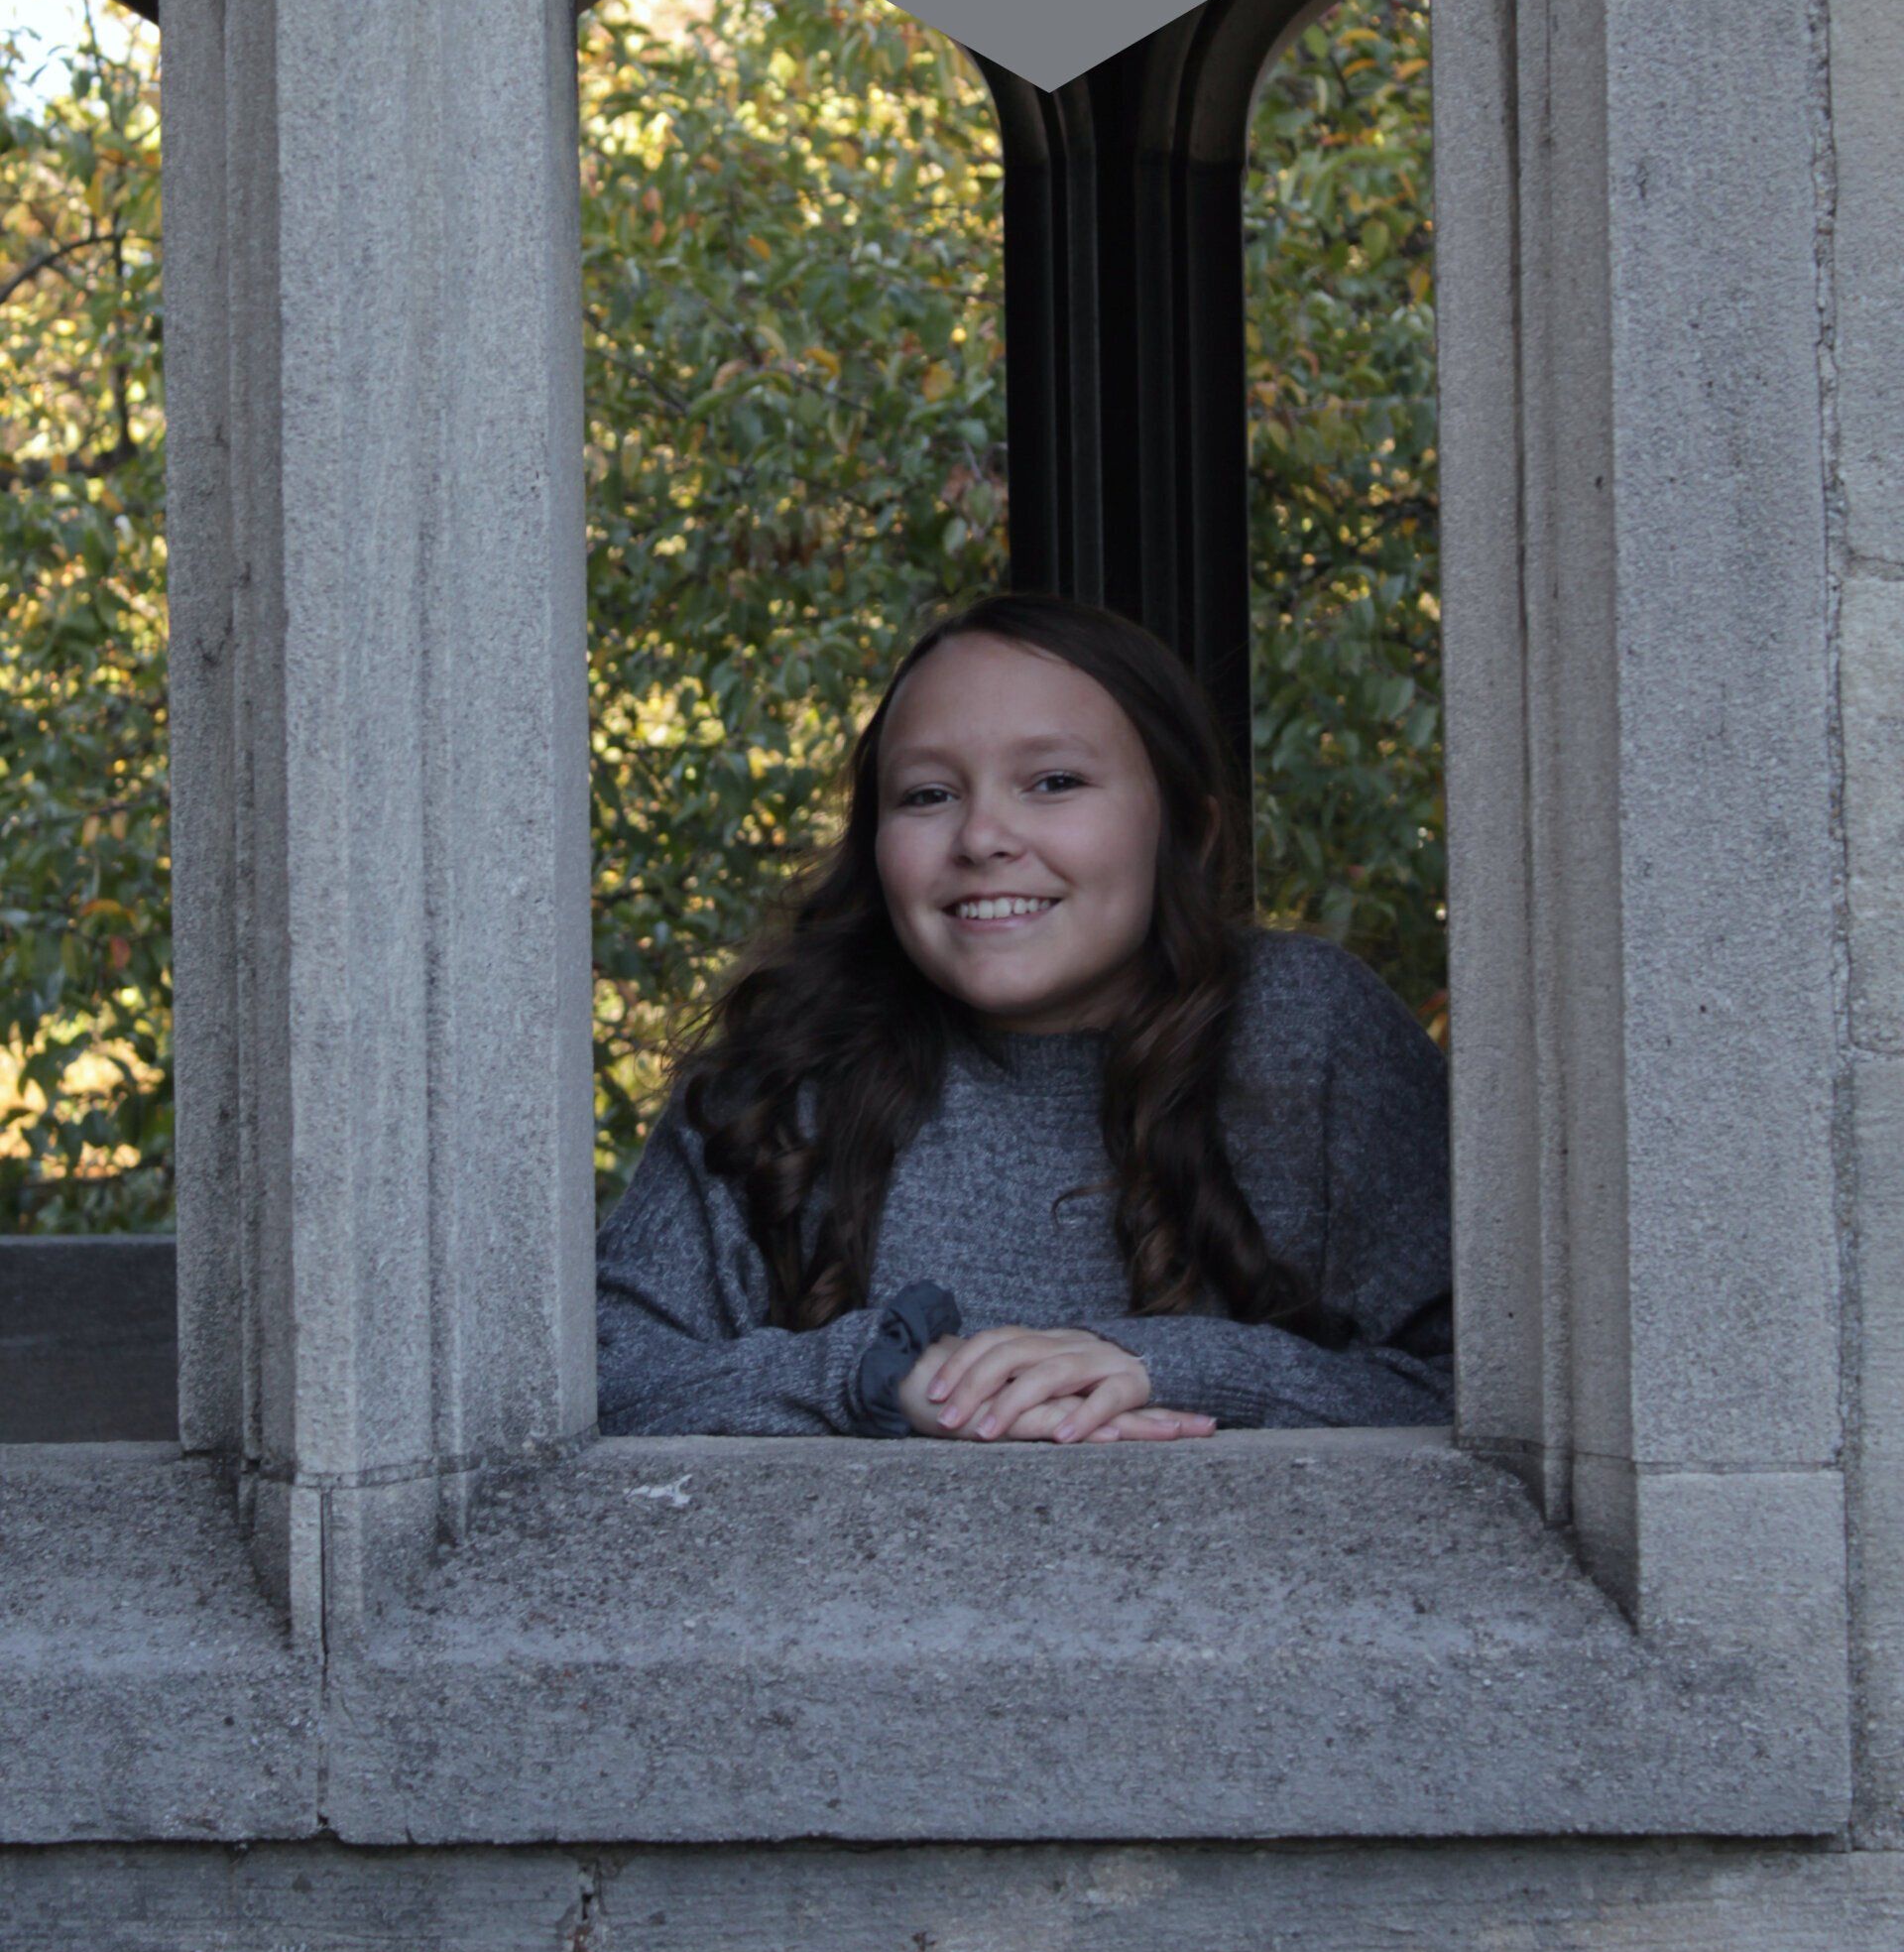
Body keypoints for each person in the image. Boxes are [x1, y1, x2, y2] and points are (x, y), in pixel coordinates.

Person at [596, 590, 1452, 1442]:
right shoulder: (784, 1070)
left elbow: (1486, 1389)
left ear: (1187, 831)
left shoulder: (1313, 1029)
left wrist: (1168, 1366)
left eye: (1054, 782)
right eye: (928, 794)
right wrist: (874, 1375)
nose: (981, 838)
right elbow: (597, 1377)